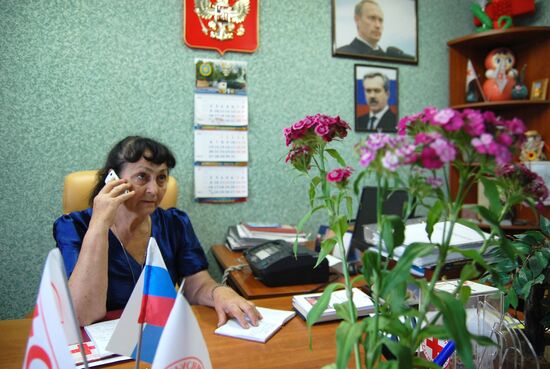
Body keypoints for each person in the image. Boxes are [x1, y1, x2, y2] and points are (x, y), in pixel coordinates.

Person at [53, 136, 261, 328]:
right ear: (112, 179)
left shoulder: (174, 223)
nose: (155, 190)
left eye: (161, 178)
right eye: (142, 177)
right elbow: (82, 314)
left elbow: (196, 285)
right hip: (101, 344)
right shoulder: (75, 227)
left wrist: (220, 292)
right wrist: (99, 225)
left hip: (158, 335)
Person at [335, 0, 414, 60]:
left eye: (381, 20)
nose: (378, 25)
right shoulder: (343, 53)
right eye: (372, 18)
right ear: (357, 19)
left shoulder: (391, 57)